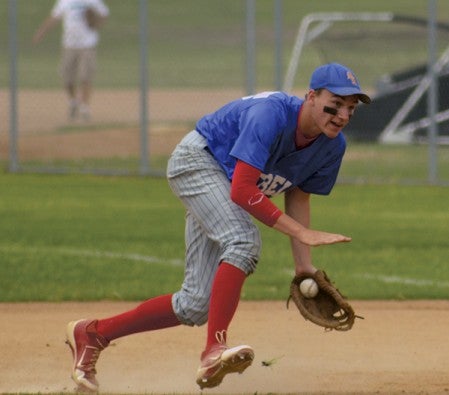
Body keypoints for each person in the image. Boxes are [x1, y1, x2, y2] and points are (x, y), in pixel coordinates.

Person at [65, 62, 371, 392]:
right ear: (311, 96)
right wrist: (299, 232)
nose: (342, 115)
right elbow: (241, 190)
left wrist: (304, 267)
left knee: (195, 305)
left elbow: (298, 196)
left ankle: (93, 334)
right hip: (199, 161)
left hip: (223, 181)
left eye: (350, 108)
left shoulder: (332, 145)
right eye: (335, 104)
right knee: (242, 239)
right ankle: (214, 351)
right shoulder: (270, 115)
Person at [32, 0, 109, 121]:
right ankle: (73, 102)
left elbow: (104, 14)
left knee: (86, 76)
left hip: (88, 45)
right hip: (69, 45)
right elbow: (54, 17)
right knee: (67, 78)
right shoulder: (65, 1)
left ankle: (84, 108)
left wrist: (96, 23)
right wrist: (41, 32)